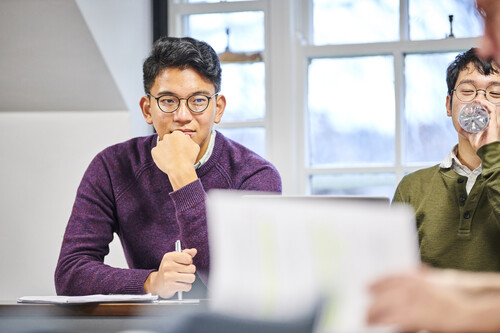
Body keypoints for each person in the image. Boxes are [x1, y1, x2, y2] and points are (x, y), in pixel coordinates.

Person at [55, 37, 282, 298]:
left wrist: (182, 176)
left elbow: (239, 283)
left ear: (217, 109)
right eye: (168, 100)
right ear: (147, 109)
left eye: (198, 101)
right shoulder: (112, 166)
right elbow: (70, 273)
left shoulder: (255, 176)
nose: (183, 116)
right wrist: (151, 282)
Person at [392, 47, 500, 271]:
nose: (480, 102)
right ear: (449, 105)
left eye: (495, 94)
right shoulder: (412, 188)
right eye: (468, 91)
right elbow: (392, 270)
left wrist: (491, 152)